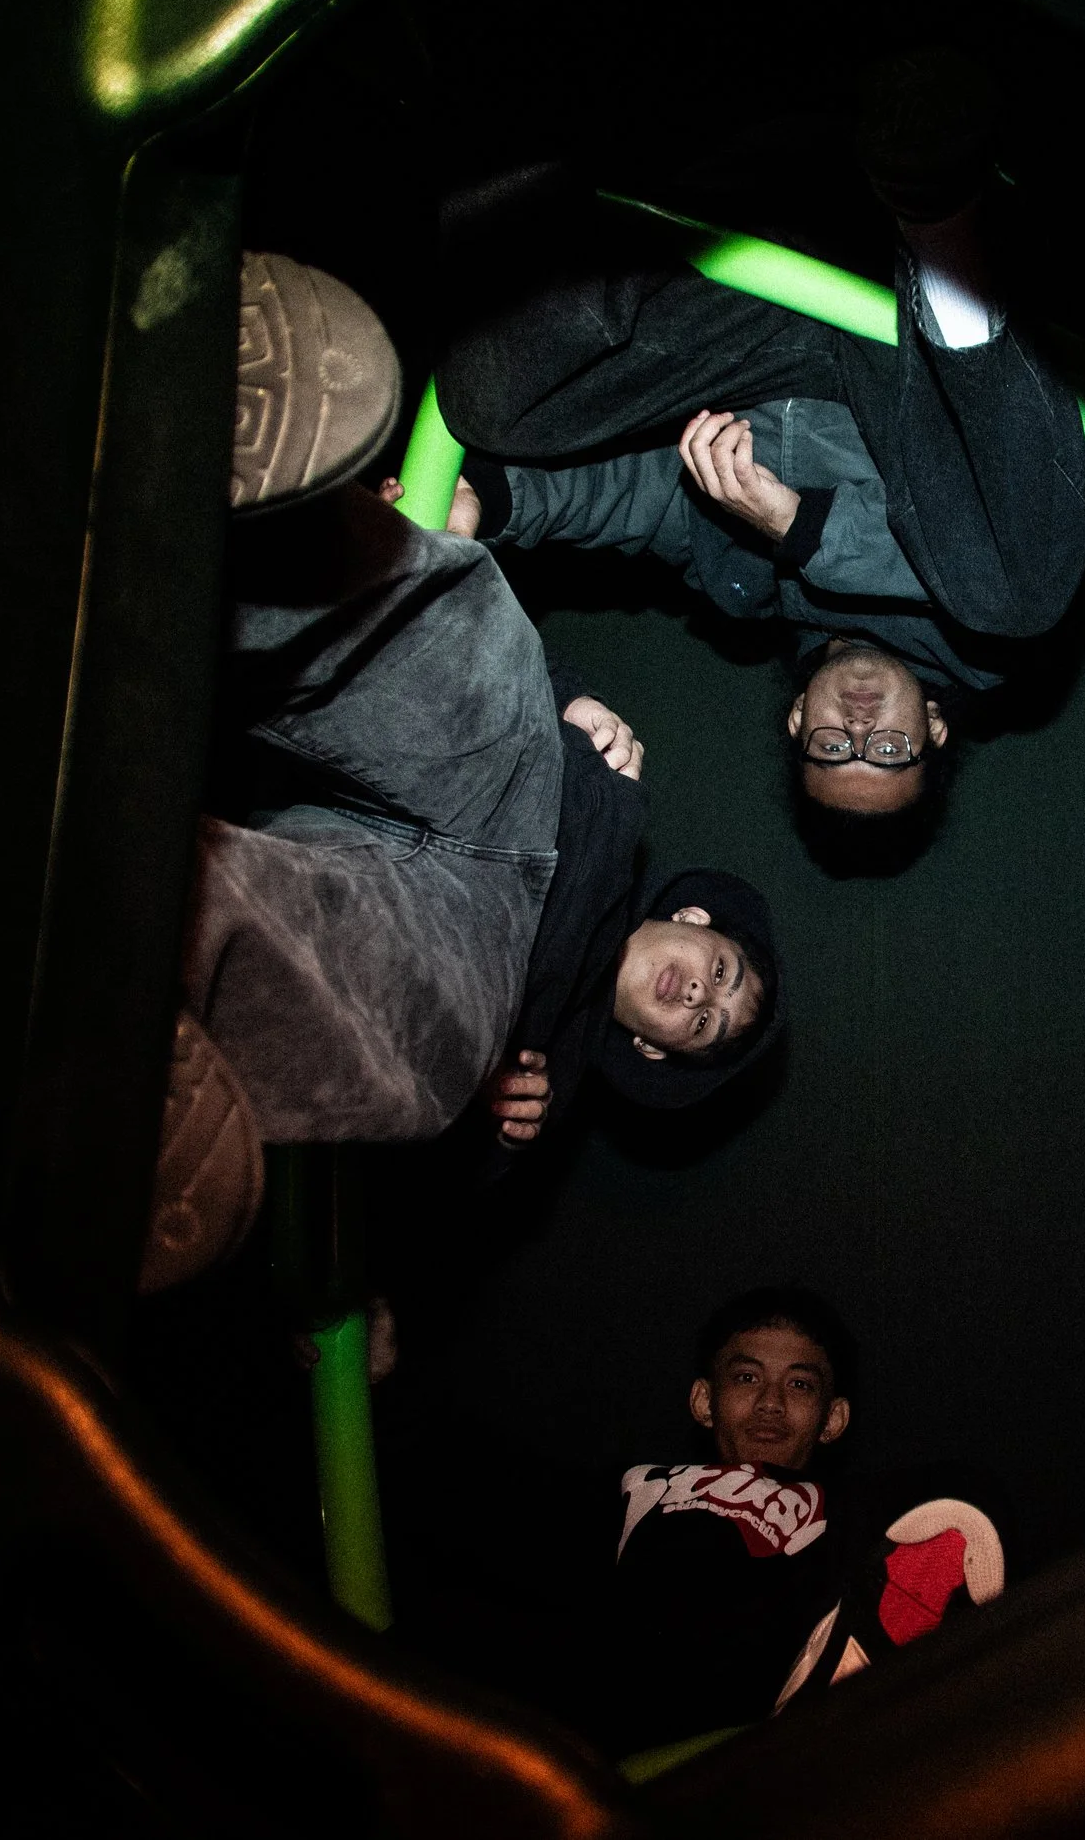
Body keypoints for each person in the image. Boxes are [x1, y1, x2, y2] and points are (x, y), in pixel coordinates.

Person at [140, 253, 785, 1292]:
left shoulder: (547, 1086)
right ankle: (199, 511)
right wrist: (566, 694)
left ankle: (143, 980)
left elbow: (442, 1197)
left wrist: (496, 1134)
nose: (700, 992)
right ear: (697, 925)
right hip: (510, 803)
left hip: (458, 942)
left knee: (430, 1055)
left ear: (656, 1051)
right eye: (723, 973)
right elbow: (527, 713)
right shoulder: (621, 814)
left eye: (701, 1020)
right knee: (472, 646)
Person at [434, 52, 1085, 850]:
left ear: (796, 721)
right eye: (888, 750)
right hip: (898, 333)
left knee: (493, 405)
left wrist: (493, 502)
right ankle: (937, 196)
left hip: (758, 306)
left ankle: (508, 104)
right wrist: (800, 525)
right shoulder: (985, 645)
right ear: (933, 727)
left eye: (831, 748)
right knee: (1018, 595)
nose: (858, 727)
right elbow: (1003, 565)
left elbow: (635, 498)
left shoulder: (743, 581)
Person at [597, 1288, 1006, 1757]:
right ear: (704, 1401)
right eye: (747, 1377)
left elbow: (964, 1499)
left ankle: (845, 1679)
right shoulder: (637, 1484)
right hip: (641, 1677)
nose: (770, 1403)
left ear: (833, 1419)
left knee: (959, 1501)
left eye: (800, 1385)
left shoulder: (851, 1506)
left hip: (772, 1673)